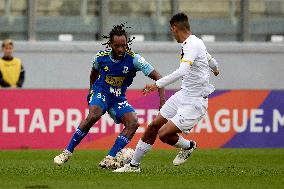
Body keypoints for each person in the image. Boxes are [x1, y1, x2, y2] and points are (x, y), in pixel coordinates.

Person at [114, 13, 219, 173]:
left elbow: (183, 70)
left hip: (195, 102)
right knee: (153, 126)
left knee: (164, 134)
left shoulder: (192, 45)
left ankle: (189, 146)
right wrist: (216, 68)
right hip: (184, 95)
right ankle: (133, 166)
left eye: (172, 30)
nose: (172, 34)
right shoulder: (194, 43)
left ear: (175, 28)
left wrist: (157, 84)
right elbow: (208, 58)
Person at [54, 24, 165, 169]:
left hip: (118, 98)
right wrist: (91, 90)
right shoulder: (101, 58)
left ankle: (110, 157)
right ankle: (67, 152)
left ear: (127, 44)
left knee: (133, 123)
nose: (120, 49)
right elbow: (94, 73)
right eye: (117, 46)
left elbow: (159, 77)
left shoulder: (134, 59)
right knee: (94, 115)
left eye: (123, 46)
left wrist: (162, 101)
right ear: (110, 44)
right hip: (102, 92)